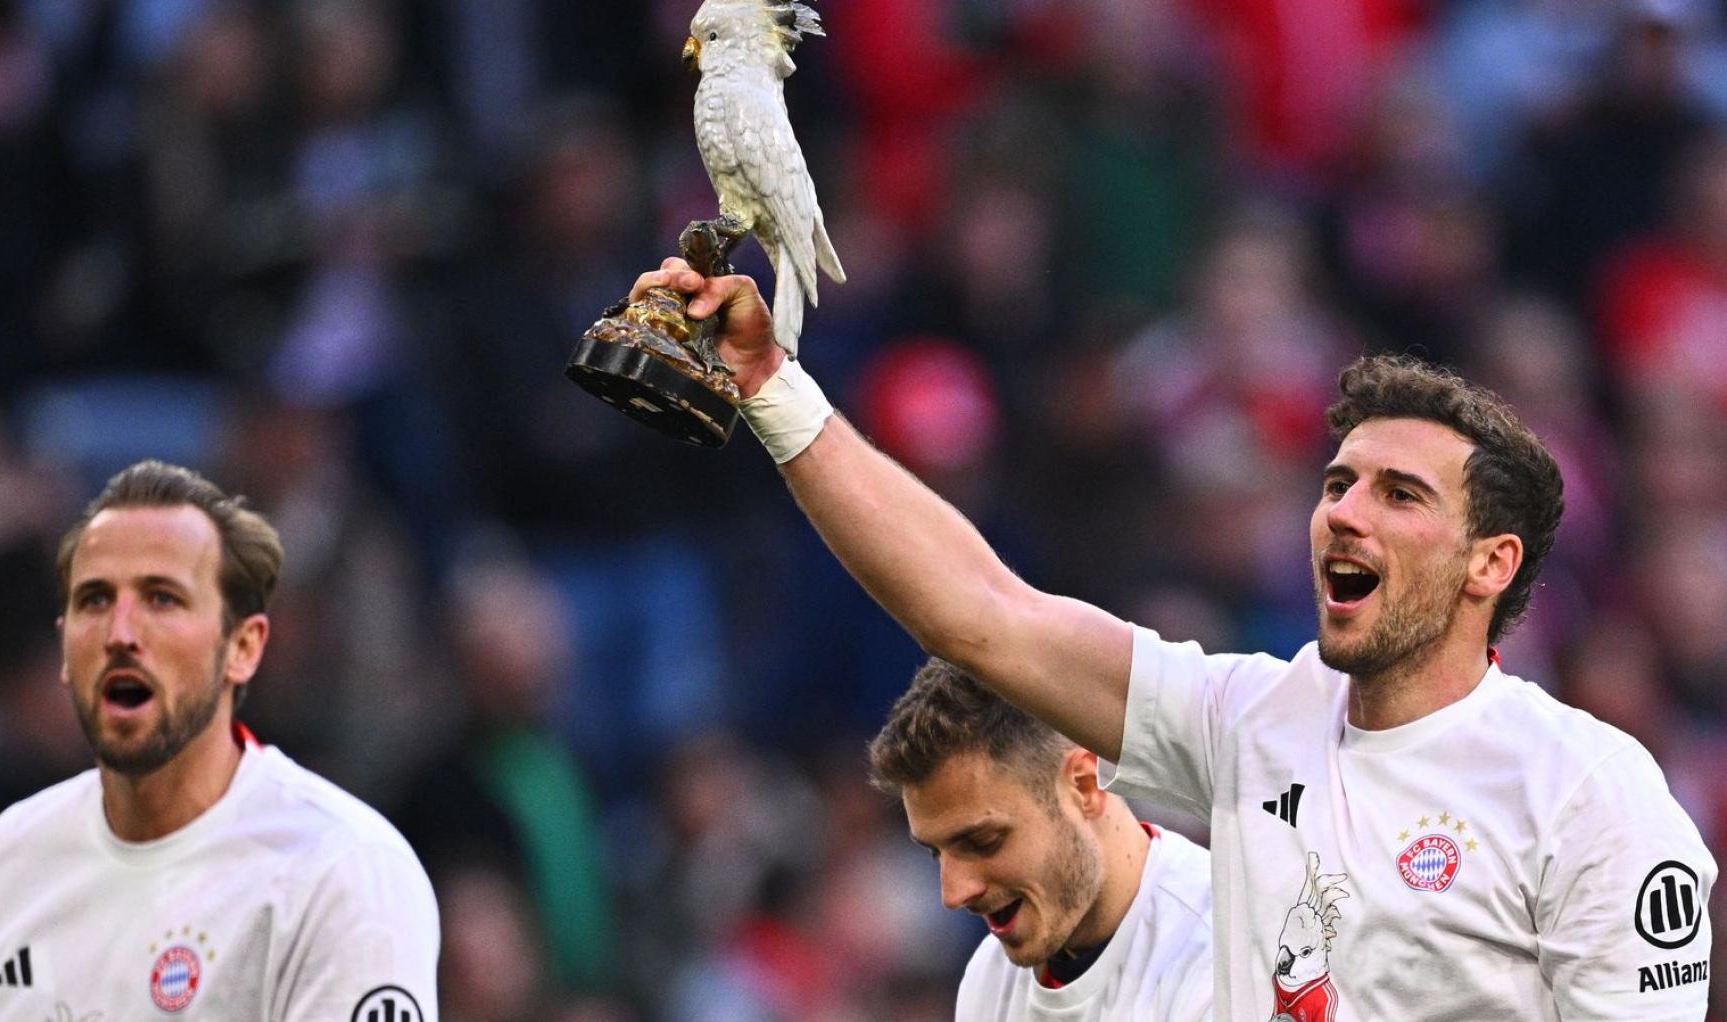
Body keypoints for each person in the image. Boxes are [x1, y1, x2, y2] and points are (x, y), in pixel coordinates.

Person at [625, 259, 1718, 1018]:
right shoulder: (1249, 721)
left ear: (1491, 563)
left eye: (1398, 494)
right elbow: (979, 613)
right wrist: (769, 387)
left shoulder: (1587, 792)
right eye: (1336, 483)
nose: (1344, 513)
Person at [0, 460, 439, 1021]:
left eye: (162, 598)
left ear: (242, 648)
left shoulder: (343, 870)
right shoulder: (8, 857)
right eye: (95, 600)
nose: (120, 634)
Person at [868, 657, 1211, 1020]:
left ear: (1084, 786)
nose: (954, 894)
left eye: (984, 842)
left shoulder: (1222, 953)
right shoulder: (990, 976)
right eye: (936, 853)